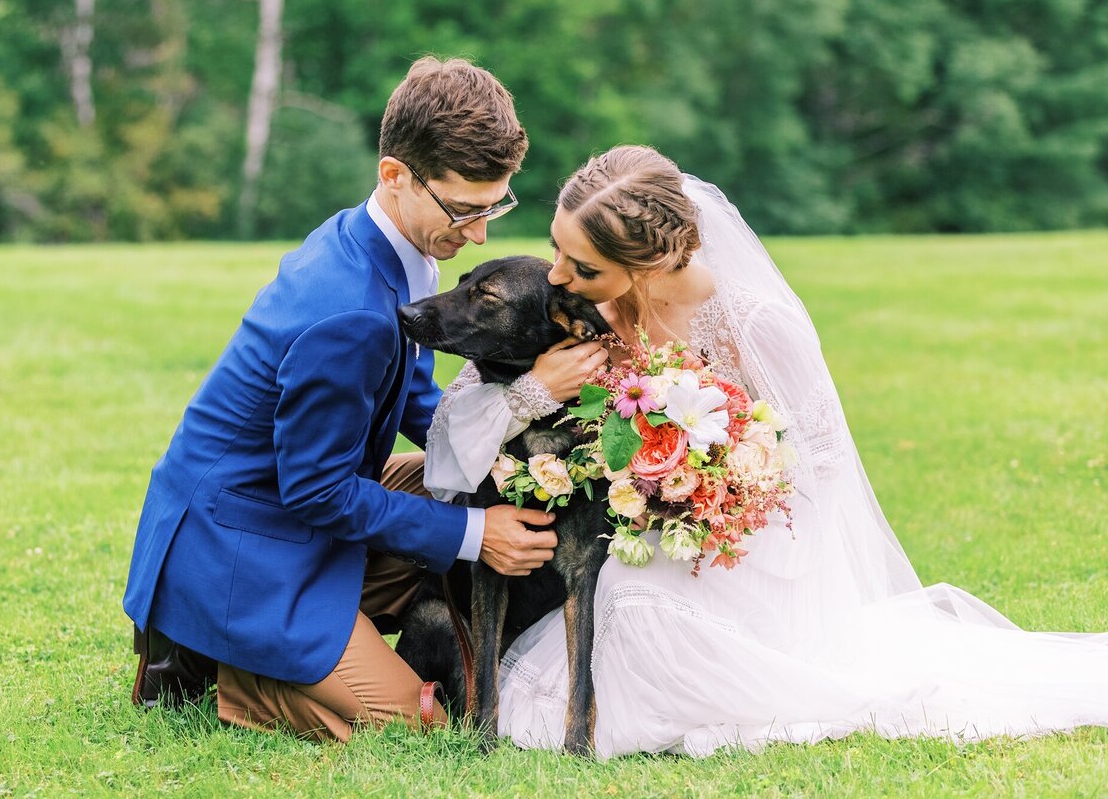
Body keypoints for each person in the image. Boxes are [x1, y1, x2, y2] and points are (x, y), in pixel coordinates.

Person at [426, 144, 1108, 757]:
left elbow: (823, 473)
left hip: (758, 547)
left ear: (648, 266)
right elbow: (455, 429)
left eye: (583, 265)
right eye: (556, 249)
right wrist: (537, 390)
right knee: (620, 585)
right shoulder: (581, 313)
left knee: (633, 595)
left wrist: (709, 496)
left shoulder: (755, 324)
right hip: (640, 535)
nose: (558, 276)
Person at [122, 56, 561, 743]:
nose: (479, 234)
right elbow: (317, 493)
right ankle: (220, 661)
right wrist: (477, 535)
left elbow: (421, 406)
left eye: (494, 205)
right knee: (421, 725)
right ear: (395, 175)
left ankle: (327, 623)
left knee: (473, 482)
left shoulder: (393, 244)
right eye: (465, 210)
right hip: (240, 546)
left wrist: (532, 417)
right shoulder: (346, 311)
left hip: (294, 512)